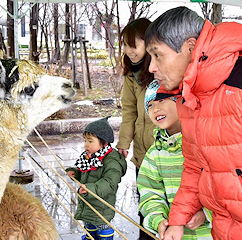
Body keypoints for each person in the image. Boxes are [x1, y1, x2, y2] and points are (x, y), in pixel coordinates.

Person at [144, 6, 242, 240]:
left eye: (157, 54)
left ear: (190, 48)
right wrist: (177, 220)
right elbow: (194, 166)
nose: (151, 67)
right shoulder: (189, 96)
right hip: (224, 229)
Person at [137, 80, 213, 240]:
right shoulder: (155, 154)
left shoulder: (206, 144)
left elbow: (224, 187)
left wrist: (206, 214)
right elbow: (149, 194)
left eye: (162, 100)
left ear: (181, 102)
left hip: (210, 234)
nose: (155, 108)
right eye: (149, 105)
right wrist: (158, 220)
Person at [116, 18, 156, 240]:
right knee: (145, 205)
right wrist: (124, 142)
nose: (129, 51)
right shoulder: (131, 73)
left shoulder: (161, 70)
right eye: (125, 44)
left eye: (134, 45)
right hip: (142, 154)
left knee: (164, 205)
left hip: (163, 152)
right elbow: (129, 110)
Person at [66, 117, 127, 240]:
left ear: (104, 143)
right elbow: (85, 172)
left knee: (103, 229)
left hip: (102, 208)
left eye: (90, 141)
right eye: (85, 141)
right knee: (89, 227)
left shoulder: (112, 161)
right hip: (87, 203)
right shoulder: (89, 157)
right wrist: (76, 173)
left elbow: (110, 183)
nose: (86, 145)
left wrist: (90, 189)